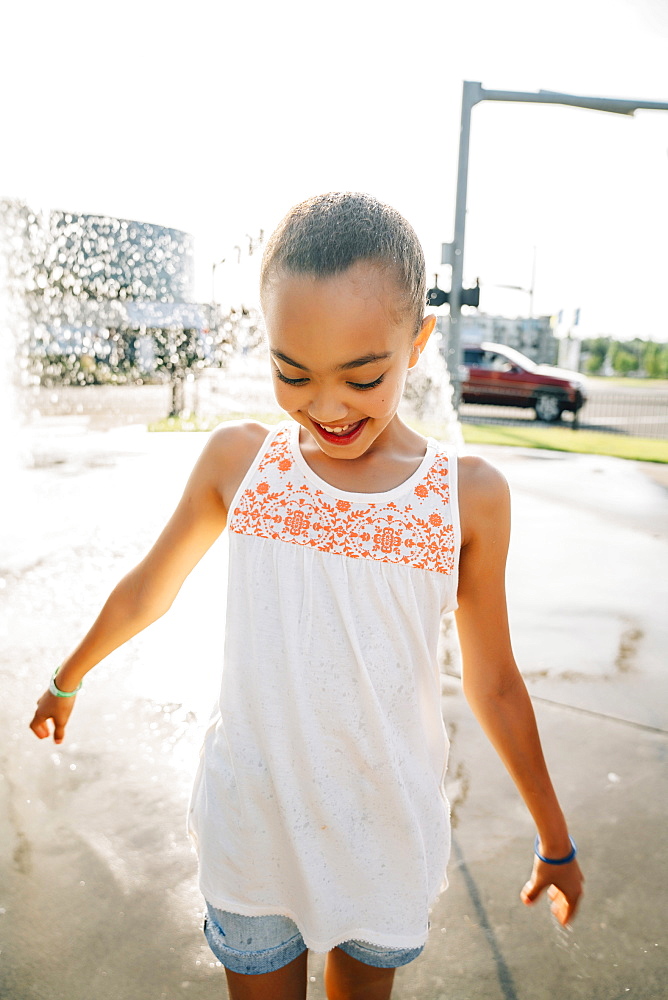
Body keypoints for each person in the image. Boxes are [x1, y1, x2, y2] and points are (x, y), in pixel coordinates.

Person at [29, 192, 584, 1000]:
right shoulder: (238, 463)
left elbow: (495, 683)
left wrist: (556, 839)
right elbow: (152, 587)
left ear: (418, 342)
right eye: (293, 373)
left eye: (363, 378)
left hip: (383, 837)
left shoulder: (467, 498)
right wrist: (67, 675)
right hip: (252, 826)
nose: (326, 407)